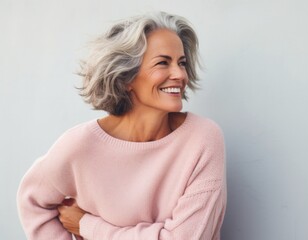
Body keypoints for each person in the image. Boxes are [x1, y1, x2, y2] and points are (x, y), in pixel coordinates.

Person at [17, 11, 226, 240]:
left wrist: (89, 227)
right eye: (163, 63)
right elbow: (32, 201)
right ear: (127, 78)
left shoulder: (202, 139)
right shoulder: (80, 145)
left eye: (182, 63)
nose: (179, 74)